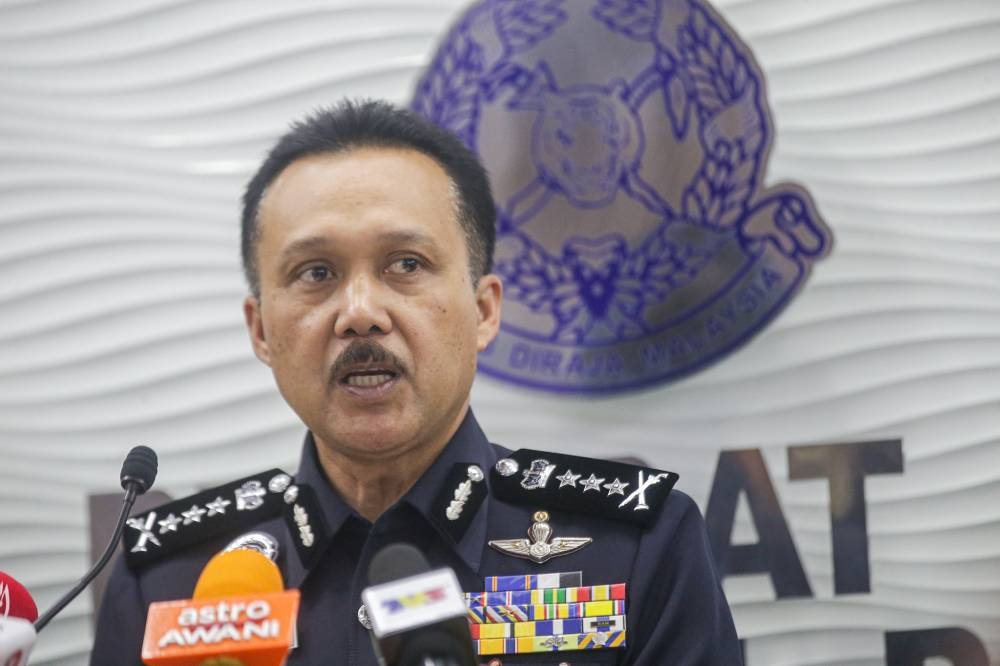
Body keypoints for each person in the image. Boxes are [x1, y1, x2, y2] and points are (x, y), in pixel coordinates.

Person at [90, 100, 743, 665]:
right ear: (261, 330)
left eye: (406, 263)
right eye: (316, 273)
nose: (360, 313)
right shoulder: (170, 580)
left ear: (484, 309)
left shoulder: (634, 549)